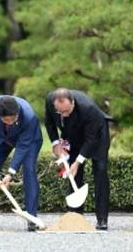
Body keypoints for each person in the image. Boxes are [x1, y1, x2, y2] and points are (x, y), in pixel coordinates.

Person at [45, 88, 112, 230]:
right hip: (73, 136)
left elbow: (91, 139)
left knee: (100, 171)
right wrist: (56, 143)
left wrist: (79, 160)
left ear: (73, 103)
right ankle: (75, 215)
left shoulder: (88, 108)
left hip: (97, 136)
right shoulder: (50, 101)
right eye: (60, 112)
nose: (64, 115)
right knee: (74, 173)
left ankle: (102, 219)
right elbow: (49, 122)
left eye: (66, 111)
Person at [0, 96, 43, 231]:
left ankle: (31, 218)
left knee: (29, 170)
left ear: (17, 112)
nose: (10, 122)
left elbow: (22, 148)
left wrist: (10, 173)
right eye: (6, 120)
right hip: (2, 139)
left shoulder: (29, 117)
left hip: (29, 141)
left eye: (13, 119)